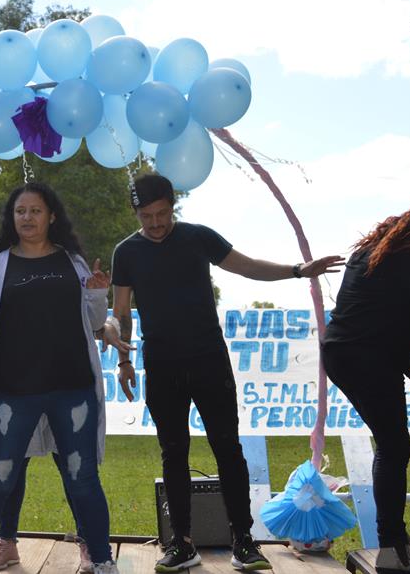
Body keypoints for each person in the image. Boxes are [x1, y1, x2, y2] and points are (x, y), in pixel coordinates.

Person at [108, 173, 343, 573]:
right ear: (136, 214)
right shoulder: (126, 252)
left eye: (162, 213)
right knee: (173, 452)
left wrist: (298, 270)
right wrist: (123, 358)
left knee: (228, 448)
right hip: (162, 364)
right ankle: (182, 543)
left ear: (172, 206)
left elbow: (247, 267)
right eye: (146, 216)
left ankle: (243, 541)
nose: (156, 223)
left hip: (208, 359)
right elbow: (121, 313)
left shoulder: (198, 237)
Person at [0, 182, 118, 574]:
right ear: (12, 218)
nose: (27, 218)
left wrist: (98, 294)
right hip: (14, 393)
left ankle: (102, 560)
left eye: (36, 210)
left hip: (73, 391)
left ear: (52, 216)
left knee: (82, 479)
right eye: (20, 211)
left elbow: (95, 322)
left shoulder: (74, 263)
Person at [321, 199, 410, 573]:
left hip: (347, 353)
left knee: (392, 444)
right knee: (394, 446)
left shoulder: (382, 249)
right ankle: (391, 547)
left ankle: (396, 538)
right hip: (366, 357)